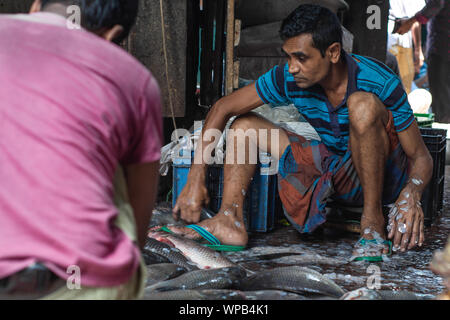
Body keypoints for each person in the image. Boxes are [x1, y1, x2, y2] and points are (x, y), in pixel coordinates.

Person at [171, 4, 433, 260]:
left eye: (302, 58)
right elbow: (223, 107)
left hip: (384, 179)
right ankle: (230, 221)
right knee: (244, 126)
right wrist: (196, 177)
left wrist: (412, 193)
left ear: (332, 52)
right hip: (337, 171)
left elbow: (422, 157)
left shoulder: (378, 81)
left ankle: (372, 222)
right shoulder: (290, 78)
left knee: (361, 104)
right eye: (288, 56)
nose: (292, 66)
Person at [0, 0, 163, 299]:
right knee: (108, 158)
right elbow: (140, 217)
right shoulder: (135, 79)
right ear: (112, 34)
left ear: (36, 6)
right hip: (75, 281)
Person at [396, 0, 449, 123]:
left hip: (442, 49)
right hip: (442, 48)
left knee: (443, 105)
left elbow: (436, 4)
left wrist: (411, 21)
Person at [388, 0, 426, 94]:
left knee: (403, 89)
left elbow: (416, 21)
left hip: (404, 46)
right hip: (387, 44)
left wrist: (418, 50)